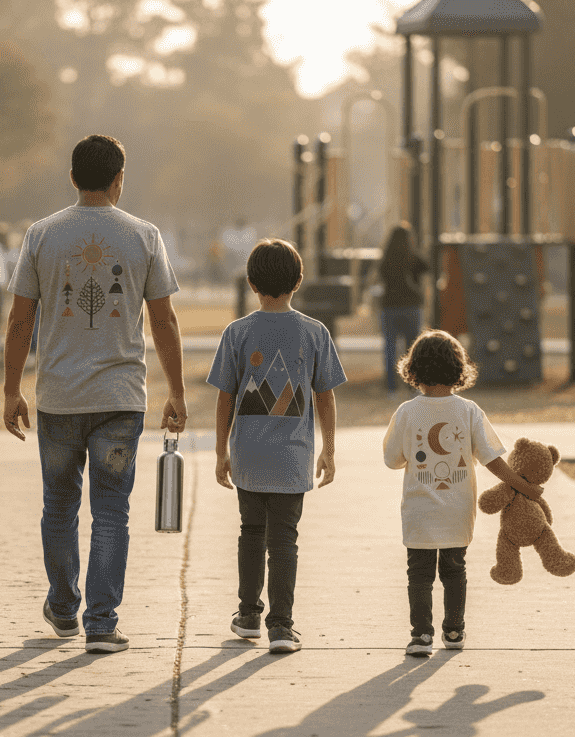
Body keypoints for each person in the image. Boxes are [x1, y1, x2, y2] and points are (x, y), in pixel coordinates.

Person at [1, 134, 187, 654]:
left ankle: (63, 607)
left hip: (58, 395)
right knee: (111, 510)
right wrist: (175, 390)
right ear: (118, 179)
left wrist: (12, 390)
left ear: (72, 178)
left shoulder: (41, 234)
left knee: (58, 506)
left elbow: (21, 318)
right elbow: (164, 319)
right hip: (121, 397)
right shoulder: (144, 236)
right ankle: (101, 622)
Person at [208, 238, 347, 654]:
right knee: (284, 539)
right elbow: (326, 396)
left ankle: (248, 614)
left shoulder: (238, 332)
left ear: (250, 282)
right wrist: (330, 450)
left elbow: (225, 397)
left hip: (249, 455)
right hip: (293, 456)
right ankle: (282, 627)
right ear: (299, 281)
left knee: (251, 533)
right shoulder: (315, 332)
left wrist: (220, 452)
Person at [382, 330, 544, 657]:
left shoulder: (406, 413)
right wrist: (524, 486)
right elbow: (493, 460)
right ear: (459, 368)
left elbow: (392, 460)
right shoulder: (469, 411)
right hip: (457, 511)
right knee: (455, 569)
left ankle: (421, 635)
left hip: (420, 512)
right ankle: (454, 631)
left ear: (413, 369)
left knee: (420, 574)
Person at [378, 223, 427, 396]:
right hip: (411, 307)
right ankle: (412, 386)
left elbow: (381, 277)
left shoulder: (386, 260)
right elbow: (428, 267)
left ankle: (391, 387)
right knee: (412, 348)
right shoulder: (413, 257)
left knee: (390, 348)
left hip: (390, 307)